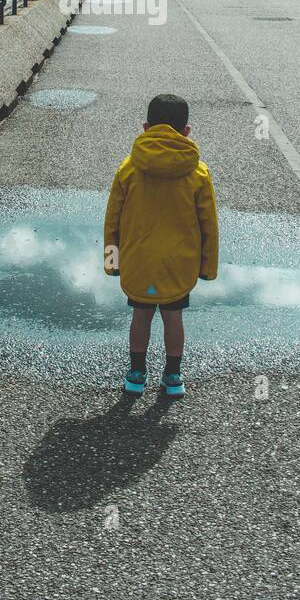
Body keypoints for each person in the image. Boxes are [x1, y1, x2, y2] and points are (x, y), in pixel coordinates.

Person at [103, 93, 219, 397]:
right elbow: (208, 224)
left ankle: (137, 374)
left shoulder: (129, 168)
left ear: (145, 127)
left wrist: (112, 262)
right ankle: (173, 376)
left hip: (139, 259)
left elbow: (112, 220)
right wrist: (207, 267)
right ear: (186, 131)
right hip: (179, 262)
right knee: (173, 317)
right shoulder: (198, 172)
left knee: (140, 316)